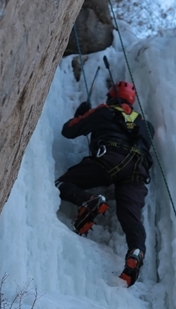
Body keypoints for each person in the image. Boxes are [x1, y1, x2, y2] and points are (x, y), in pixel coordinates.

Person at [55, 81, 154, 287]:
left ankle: (88, 201)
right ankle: (135, 251)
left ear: (110, 98)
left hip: (109, 159)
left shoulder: (103, 111)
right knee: (131, 217)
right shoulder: (146, 125)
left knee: (61, 184)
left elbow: (69, 130)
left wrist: (81, 113)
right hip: (137, 171)